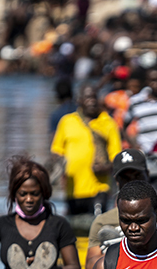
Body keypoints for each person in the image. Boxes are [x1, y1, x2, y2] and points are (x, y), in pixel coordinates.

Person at [50, 84, 122, 216]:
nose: (92, 101)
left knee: (97, 222)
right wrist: (58, 167)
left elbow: (117, 158)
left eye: (94, 97)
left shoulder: (108, 122)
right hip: (73, 190)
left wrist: (106, 167)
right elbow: (57, 151)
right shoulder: (67, 121)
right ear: (79, 100)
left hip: (99, 187)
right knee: (75, 229)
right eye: (88, 97)